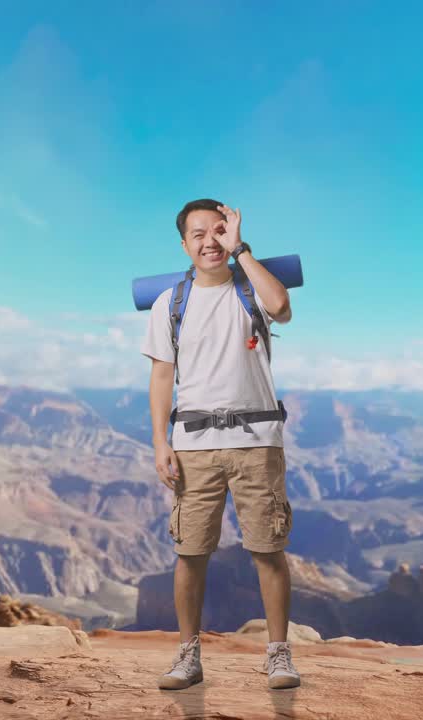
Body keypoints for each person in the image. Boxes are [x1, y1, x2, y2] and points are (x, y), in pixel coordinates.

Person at [140, 198, 299, 690]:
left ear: (230, 233)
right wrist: (159, 441)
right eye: (198, 234)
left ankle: (278, 654)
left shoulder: (251, 286)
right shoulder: (171, 302)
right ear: (184, 243)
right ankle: (188, 656)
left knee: (267, 549)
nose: (209, 242)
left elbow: (282, 308)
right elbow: (162, 375)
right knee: (190, 552)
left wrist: (243, 250)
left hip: (257, 442)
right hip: (194, 445)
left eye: (218, 231)